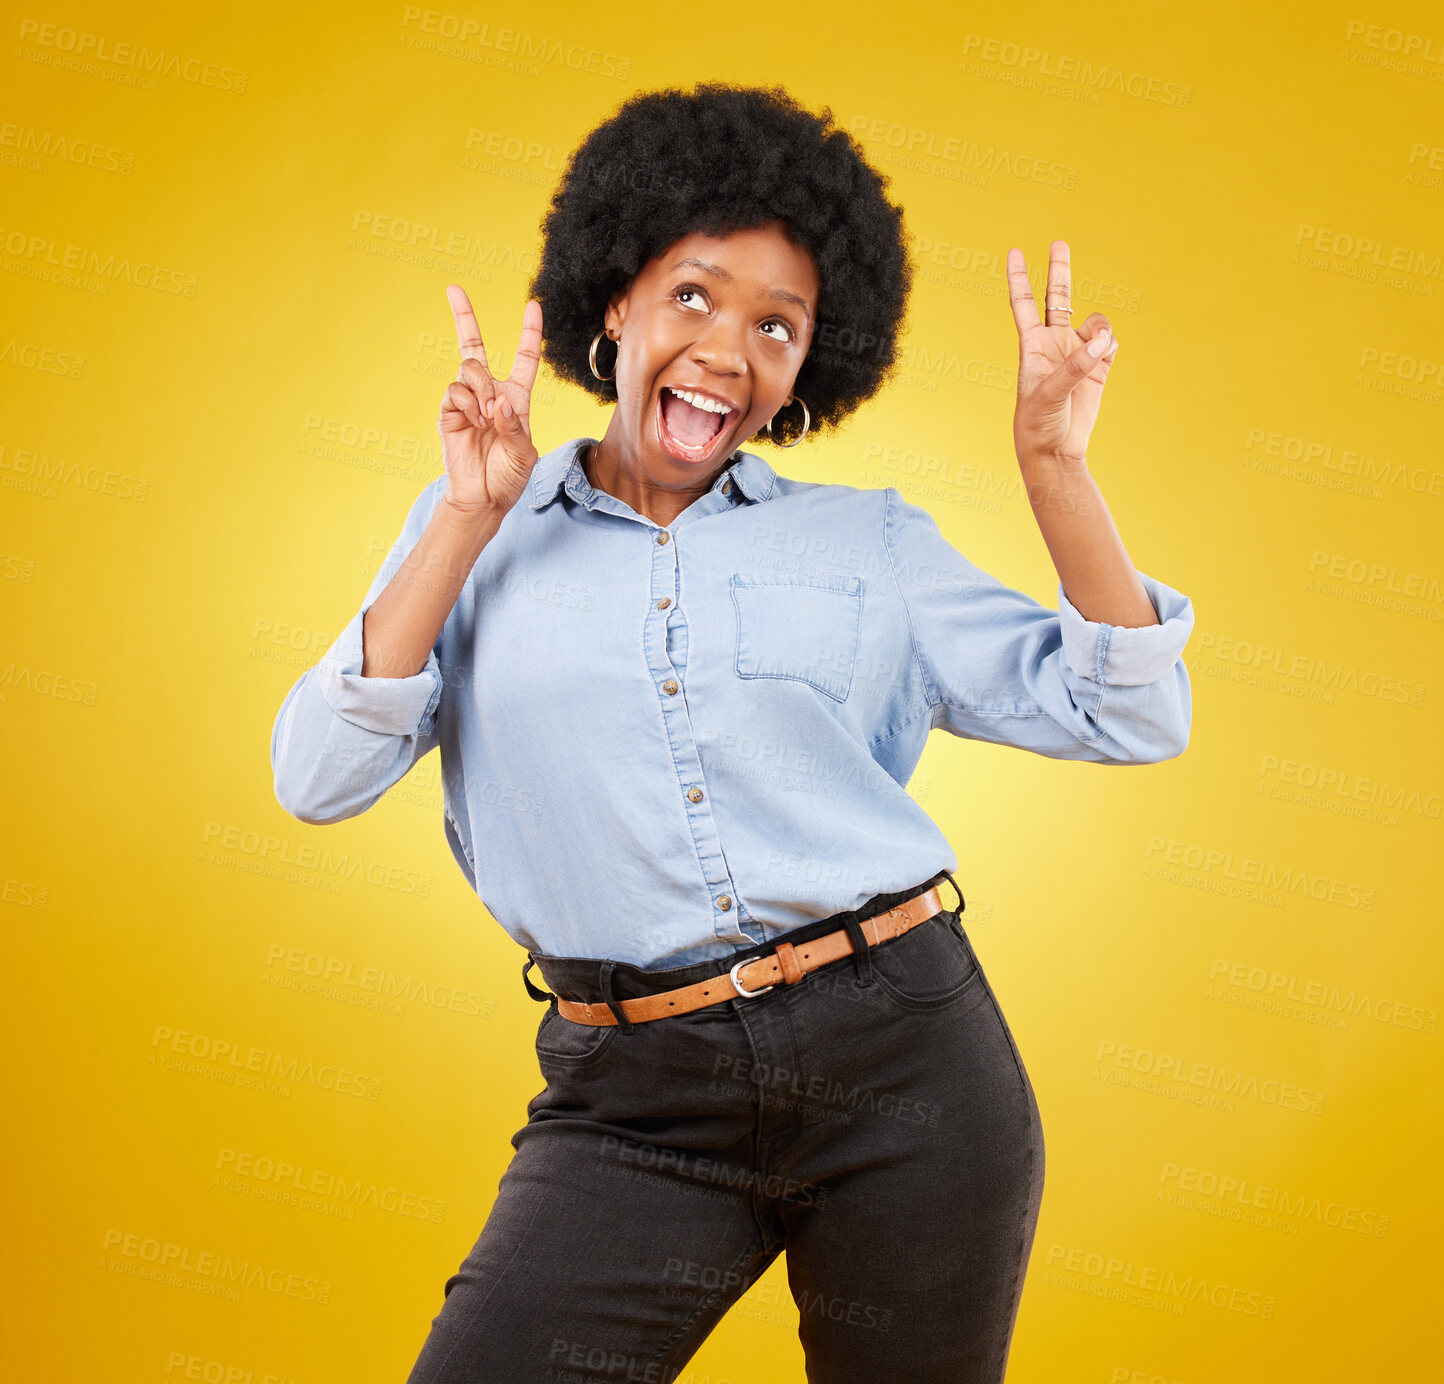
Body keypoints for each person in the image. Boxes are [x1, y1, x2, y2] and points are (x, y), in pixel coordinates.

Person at [270, 82, 1194, 1384]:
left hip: (907, 1064)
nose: (727, 347)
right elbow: (315, 777)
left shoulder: (867, 541)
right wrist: (465, 524)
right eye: (694, 296)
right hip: (631, 1098)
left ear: (812, 361)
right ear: (616, 303)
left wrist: (1055, 469)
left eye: (778, 324)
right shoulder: (473, 527)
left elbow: (1133, 710)